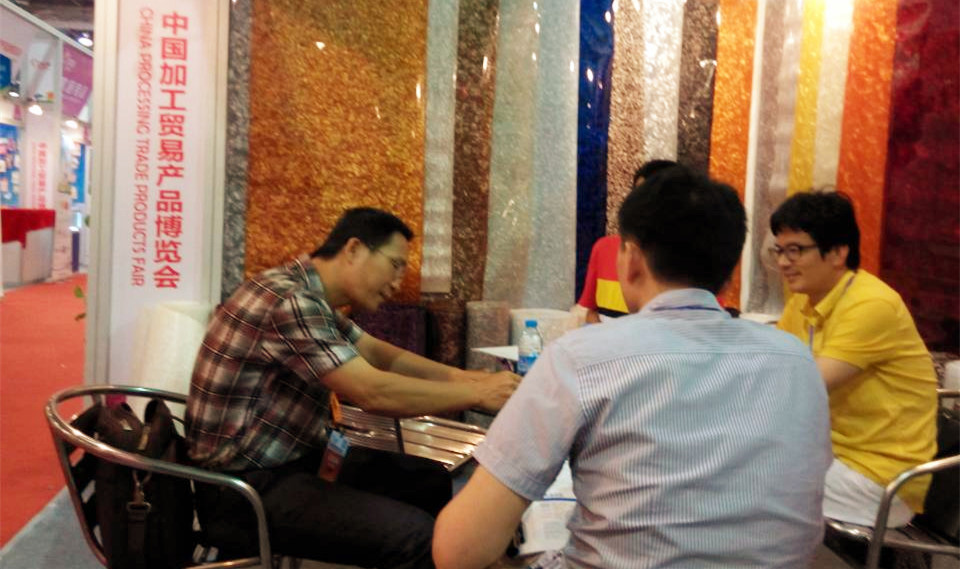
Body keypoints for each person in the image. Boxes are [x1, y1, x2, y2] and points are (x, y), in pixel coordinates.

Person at [433, 167, 832, 569]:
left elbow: (457, 551)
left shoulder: (580, 358)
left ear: (632, 259)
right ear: (729, 270)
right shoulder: (796, 360)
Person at [185, 207, 520, 568]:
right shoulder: (290, 301)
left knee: (429, 480)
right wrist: (479, 394)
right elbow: (372, 392)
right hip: (243, 492)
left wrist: (471, 379)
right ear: (354, 249)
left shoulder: (305, 293)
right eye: (395, 265)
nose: (397, 282)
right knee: (418, 538)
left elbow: (376, 353)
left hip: (290, 463)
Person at [770, 190, 937, 528]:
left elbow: (801, 387)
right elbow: (771, 369)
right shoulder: (803, 302)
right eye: (780, 250)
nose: (784, 262)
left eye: (795, 250)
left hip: (880, 479)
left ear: (838, 252)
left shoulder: (871, 305)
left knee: (742, 473)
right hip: (828, 457)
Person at [576, 160, 679, 323]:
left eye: (654, 198)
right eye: (637, 196)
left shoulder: (688, 258)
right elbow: (589, 310)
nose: (642, 206)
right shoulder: (604, 248)